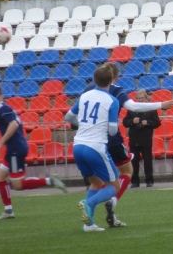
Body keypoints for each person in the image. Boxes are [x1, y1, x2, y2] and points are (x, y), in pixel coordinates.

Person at [82, 62, 173, 227]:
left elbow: (72, 117)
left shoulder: (88, 90)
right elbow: (132, 106)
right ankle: (111, 201)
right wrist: (161, 105)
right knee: (126, 171)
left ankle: (89, 224)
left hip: (86, 140)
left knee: (96, 181)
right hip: (109, 139)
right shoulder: (116, 90)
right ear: (116, 77)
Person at [0, 84, 67, 220]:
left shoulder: (3, 109)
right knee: (0, 177)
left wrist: (0, 142)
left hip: (16, 150)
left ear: (1, 97)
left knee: (18, 185)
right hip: (13, 148)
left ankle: (50, 180)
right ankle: (8, 211)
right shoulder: (4, 109)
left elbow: (14, 124)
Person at [65, 65, 120, 232]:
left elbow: (68, 117)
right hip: (96, 147)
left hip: (78, 145)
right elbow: (112, 130)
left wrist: (84, 124)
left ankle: (88, 225)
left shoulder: (85, 96)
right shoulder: (112, 100)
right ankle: (88, 203)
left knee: (95, 182)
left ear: (94, 79)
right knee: (114, 186)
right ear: (111, 81)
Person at [122, 89, 160, 188]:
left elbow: (157, 122)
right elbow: (125, 122)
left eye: (142, 98)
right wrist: (132, 121)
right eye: (139, 98)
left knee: (148, 161)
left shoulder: (151, 109)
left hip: (146, 138)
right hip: (134, 139)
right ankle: (134, 181)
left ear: (145, 98)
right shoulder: (131, 109)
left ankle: (149, 181)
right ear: (136, 99)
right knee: (134, 161)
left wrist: (148, 123)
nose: (140, 100)